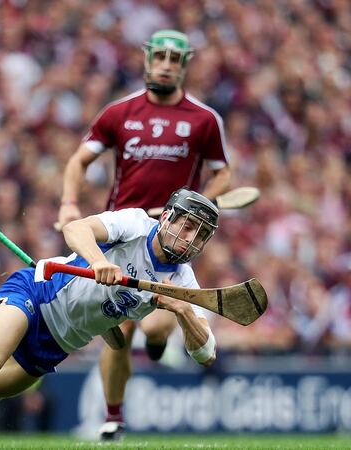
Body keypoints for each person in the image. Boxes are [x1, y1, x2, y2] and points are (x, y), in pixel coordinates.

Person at [0, 189, 219, 422]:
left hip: (60, 341)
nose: (191, 239)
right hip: (39, 292)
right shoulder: (135, 224)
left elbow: (206, 354)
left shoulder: (183, 281)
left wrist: (183, 311)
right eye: (188, 227)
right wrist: (98, 261)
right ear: (167, 218)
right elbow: (76, 229)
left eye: (201, 235)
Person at [56, 29, 231, 440]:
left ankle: (157, 345)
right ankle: (114, 419)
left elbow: (223, 174)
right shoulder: (119, 112)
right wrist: (68, 203)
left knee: (154, 328)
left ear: (184, 66)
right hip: (125, 234)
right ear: (148, 60)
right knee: (120, 331)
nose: (166, 65)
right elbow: (78, 162)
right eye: (160, 57)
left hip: (172, 241)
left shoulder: (204, 119)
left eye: (175, 59)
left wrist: (199, 205)